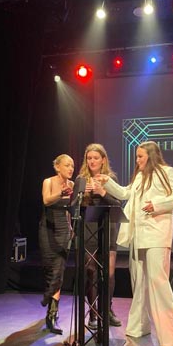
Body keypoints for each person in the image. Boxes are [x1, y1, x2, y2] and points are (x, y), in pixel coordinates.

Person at [96, 141, 173, 346]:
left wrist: (156, 205)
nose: (137, 160)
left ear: (151, 156)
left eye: (140, 156)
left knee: (158, 283)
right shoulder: (139, 176)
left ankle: (172, 337)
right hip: (138, 236)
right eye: (136, 156)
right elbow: (126, 194)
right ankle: (139, 327)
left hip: (156, 235)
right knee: (138, 283)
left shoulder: (166, 171)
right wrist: (107, 182)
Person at [78, 143, 122, 330]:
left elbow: (118, 204)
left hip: (109, 228)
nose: (92, 161)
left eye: (96, 158)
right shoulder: (81, 179)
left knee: (109, 273)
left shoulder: (109, 178)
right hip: (89, 229)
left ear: (103, 160)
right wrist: (82, 193)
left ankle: (107, 309)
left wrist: (102, 192)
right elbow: (74, 205)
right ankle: (93, 313)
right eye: (89, 158)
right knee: (91, 272)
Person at [38, 154, 74, 334]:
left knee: (59, 269)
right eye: (67, 165)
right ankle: (49, 299)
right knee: (49, 267)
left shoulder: (72, 185)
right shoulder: (48, 182)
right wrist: (61, 193)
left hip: (63, 229)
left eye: (72, 166)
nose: (70, 169)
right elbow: (46, 200)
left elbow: (69, 211)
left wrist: (71, 227)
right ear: (57, 167)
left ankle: (52, 312)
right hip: (47, 228)